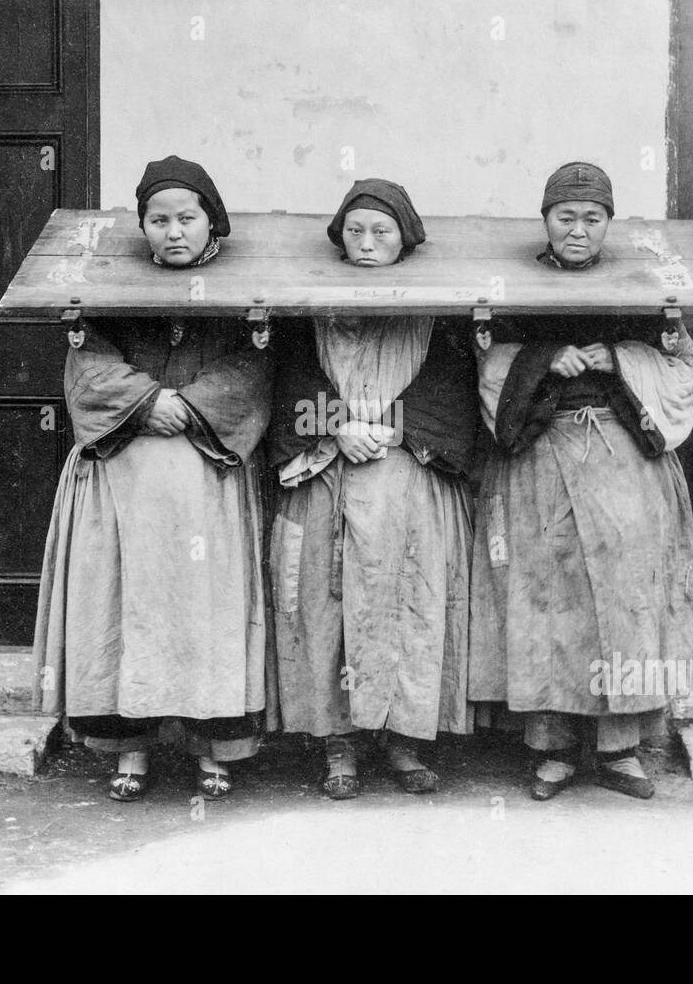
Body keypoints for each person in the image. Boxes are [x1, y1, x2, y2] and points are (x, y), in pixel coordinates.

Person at [33, 156, 273, 802]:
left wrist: (188, 408)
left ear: (211, 225)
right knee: (126, 610)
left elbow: (252, 370)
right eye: (158, 220)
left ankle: (210, 747)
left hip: (207, 487)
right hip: (123, 483)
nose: (172, 231)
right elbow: (86, 368)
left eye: (186, 218)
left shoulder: (241, 301)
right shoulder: (107, 297)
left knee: (204, 613)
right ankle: (129, 747)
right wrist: (149, 403)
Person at [469, 161, 693, 801]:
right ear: (544, 221)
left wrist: (620, 358)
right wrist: (545, 359)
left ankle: (621, 746)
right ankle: (552, 749)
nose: (577, 230)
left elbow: (680, 360)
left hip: (622, 454)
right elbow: (486, 357)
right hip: (542, 453)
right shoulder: (510, 290)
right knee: (545, 595)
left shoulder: (645, 289)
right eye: (564, 218)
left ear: (610, 223)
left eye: (592, 219)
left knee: (626, 595)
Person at [267, 179, 480, 798]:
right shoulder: (307, 308)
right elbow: (289, 380)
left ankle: (405, 740)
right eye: (355, 231)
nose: (366, 243)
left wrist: (387, 426)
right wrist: (337, 425)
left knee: (409, 608)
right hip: (327, 475)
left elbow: (449, 391)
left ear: (404, 240)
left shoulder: (439, 316)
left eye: (381, 232)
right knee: (328, 609)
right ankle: (339, 745)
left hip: (409, 481)